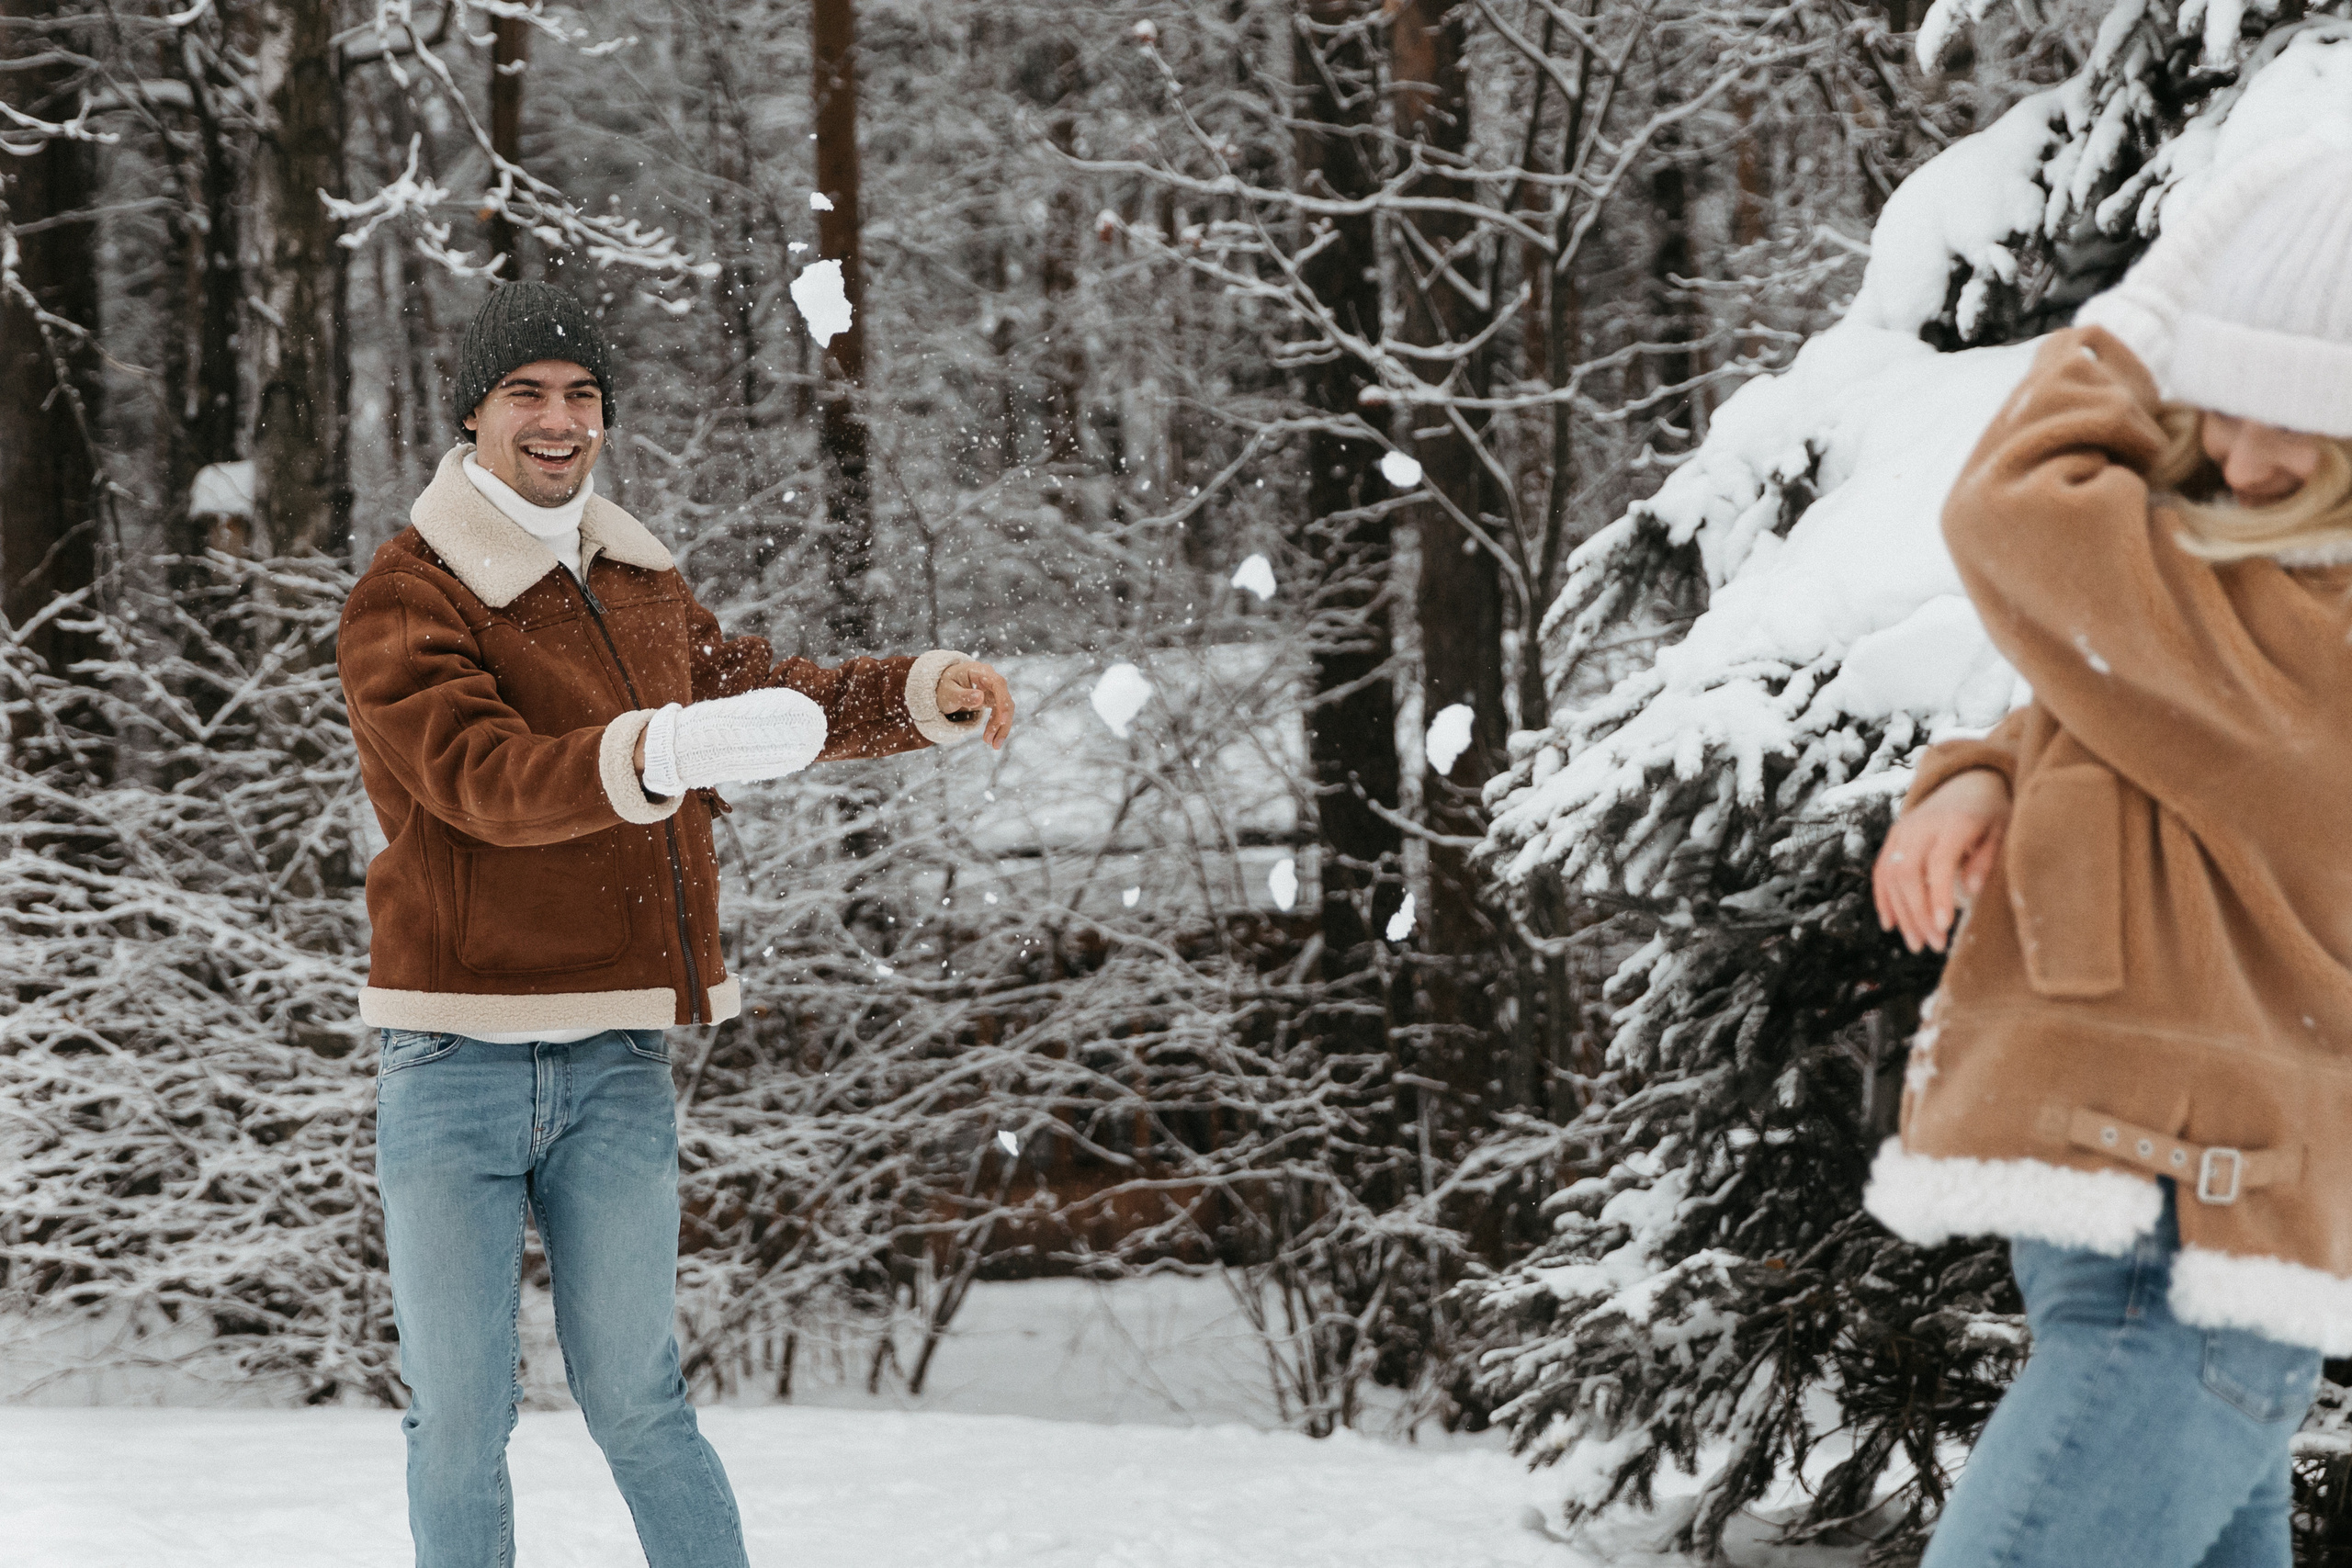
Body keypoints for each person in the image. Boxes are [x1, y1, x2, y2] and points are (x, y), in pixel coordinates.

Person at [337, 280, 1017, 1568]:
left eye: (582, 396)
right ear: (472, 416)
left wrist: (919, 693)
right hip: (454, 1059)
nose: (559, 419)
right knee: (460, 1422)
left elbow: (761, 696)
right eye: (526, 394)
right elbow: (478, 779)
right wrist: (652, 747)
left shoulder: (638, 582)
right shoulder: (406, 599)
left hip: (616, 1059)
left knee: (645, 1403)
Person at [1863, 137, 2352, 1567]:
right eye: (2222, 408)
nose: (2247, 460)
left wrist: (2152, 309)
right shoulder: (2261, 597)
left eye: (2304, 430)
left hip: (2186, 1251)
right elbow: (2115, 707)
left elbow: (2011, 507)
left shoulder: (2328, 632)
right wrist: (1978, 777)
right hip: (2171, 1226)